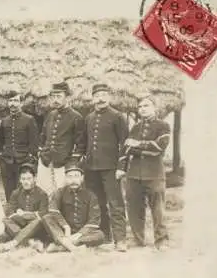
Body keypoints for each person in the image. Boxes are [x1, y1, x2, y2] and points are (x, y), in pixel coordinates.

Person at [117, 96, 171, 251]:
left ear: (154, 107)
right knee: (134, 208)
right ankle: (138, 239)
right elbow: (126, 149)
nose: (142, 109)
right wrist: (122, 167)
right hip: (133, 174)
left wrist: (137, 145)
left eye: (146, 105)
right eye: (140, 107)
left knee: (158, 209)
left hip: (154, 173)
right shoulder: (135, 127)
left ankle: (161, 241)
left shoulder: (163, 126)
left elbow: (159, 147)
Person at [83, 83, 129, 252]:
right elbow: (86, 143)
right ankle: (103, 236)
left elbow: (125, 144)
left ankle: (120, 239)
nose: (100, 98)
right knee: (97, 203)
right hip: (91, 168)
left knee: (115, 203)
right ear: (92, 98)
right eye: (97, 95)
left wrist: (121, 166)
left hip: (111, 168)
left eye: (104, 94)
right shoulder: (89, 118)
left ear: (109, 97)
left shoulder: (117, 116)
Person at [42, 163, 105, 253]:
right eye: (70, 177)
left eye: (76, 176)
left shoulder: (90, 195)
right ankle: (72, 247)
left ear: (82, 178)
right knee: (47, 218)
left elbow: (94, 220)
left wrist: (79, 234)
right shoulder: (60, 192)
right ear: (66, 179)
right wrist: (65, 226)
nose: (73, 180)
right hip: (62, 232)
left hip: (82, 233)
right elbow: (53, 210)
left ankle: (62, 246)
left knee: (100, 235)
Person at [38, 82, 85, 194]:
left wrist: (72, 161)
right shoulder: (50, 115)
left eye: (59, 96)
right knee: (44, 191)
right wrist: (41, 153)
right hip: (46, 160)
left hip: (63, 162)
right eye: (53, 96)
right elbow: (43, 136)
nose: (55, 100)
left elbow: (81, 144)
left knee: (63, 192)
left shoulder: (76, 117)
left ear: (67, 97)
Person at [0, 163, 49, 253]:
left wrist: (24, 214)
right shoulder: (16, 193)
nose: (26, 182)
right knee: (5, 220)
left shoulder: (42, 194)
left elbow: (43, 214)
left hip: (35, 227)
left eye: (29, 179)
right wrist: (22, 215)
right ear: (20, 180)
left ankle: (12, 243)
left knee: (39, 221)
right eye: (23, 179)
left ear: (34, 179)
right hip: (19, 224)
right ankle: (30, 241)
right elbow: (9, 211)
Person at [0, 90, 39, 199]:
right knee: (8, 189)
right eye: (10, 101)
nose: (13, 104)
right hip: (7, 161)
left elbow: (34, 142)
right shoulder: (5, 121)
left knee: (24, 188)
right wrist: (0, 155)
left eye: (16, 100)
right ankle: (10, 211)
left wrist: (30, 157)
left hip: (24, 160)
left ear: (21, 103)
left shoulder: (29, 119)